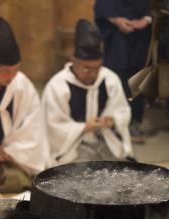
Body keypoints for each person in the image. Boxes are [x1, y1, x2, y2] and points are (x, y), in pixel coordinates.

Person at [0, 17, 50, 194]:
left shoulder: (21, 84)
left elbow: (32, 125)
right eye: (6, 71)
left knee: (19, 182)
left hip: (12, 156)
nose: (12, 76)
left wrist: (10, 151)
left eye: (16, 69)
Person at [42, 19, 134, 165]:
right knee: (82, 176)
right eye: (86, 68)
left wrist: (112, 121)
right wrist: (84, 127)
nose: (92, 74)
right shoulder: (57, 86)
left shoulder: (109, 79)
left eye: (97, 68)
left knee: (123, 174)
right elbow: (53, 125)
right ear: (73, 61)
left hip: (105, 142)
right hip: (73, 148)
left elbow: (123, 110)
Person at [94, 0, 152, 143]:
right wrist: (116, 19)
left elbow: (153, 8)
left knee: (138, 80)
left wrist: (146, 20)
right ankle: (107, 126)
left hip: (140, 37)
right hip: (116, 37)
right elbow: (103, 6)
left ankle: (133, 124)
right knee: (114, 79)